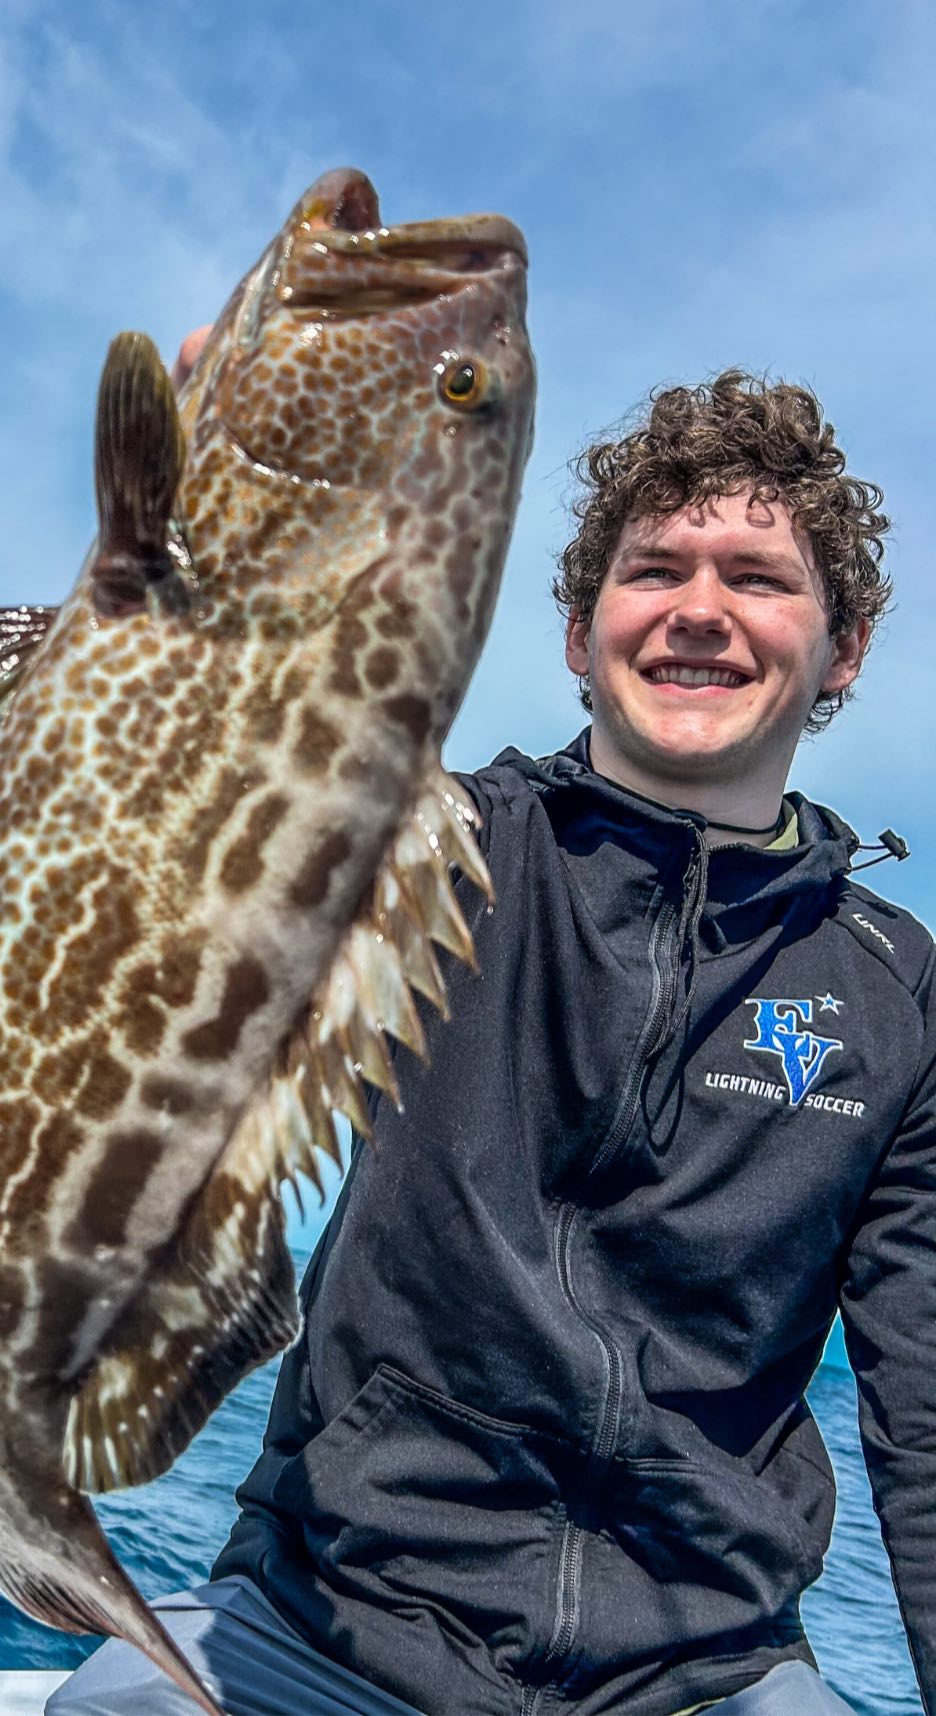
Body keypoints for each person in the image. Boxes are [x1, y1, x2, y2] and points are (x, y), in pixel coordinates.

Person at [50, 367, 932, 1716]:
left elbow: (923, 1404)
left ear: (844, 646)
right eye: (655, 571)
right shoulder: (411, 849)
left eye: (757, 576)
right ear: (582, 632)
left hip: (700, 1674)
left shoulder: (893, 995)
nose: (700, 608)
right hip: (330, 1617)